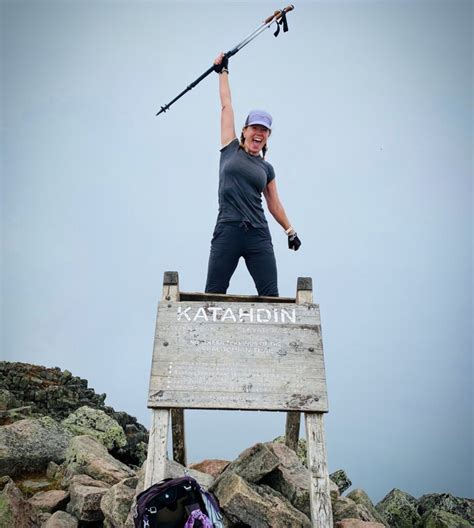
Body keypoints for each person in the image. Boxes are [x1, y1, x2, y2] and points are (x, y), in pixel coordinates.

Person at [205, 53, 301, 297]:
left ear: (268, 136)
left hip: (258, 233)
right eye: (255, 128)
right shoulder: (230, 148)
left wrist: (290, 231)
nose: (259, 133)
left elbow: (274, 204)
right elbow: (226, 105)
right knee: (214, 293)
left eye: (264, 130)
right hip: (228, 228)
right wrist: (223, 71)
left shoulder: (266, 169)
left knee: (270, 295)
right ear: (245, 130)